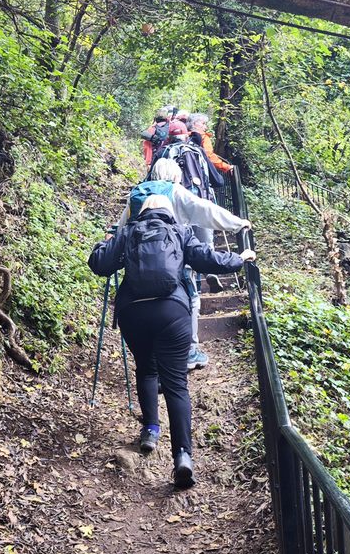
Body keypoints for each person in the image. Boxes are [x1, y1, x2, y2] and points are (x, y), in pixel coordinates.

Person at [88, 194, 255, 488]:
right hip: (172, 312)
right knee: (177, 384)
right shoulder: (179, 231)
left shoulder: (128, 232)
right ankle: (182, 457)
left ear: (142, 211)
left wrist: (104, 242)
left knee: (146, 369)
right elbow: (207, 258)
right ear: (168, 212)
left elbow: (99, 264)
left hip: (133, 312)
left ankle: (151, 430)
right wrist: (239, 260)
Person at [118, 158, 251, 369]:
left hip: (138, 270)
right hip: (174, 262)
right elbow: (206, 210)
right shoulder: (176, 191)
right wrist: (237, 224)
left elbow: (122, 228)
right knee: (192, 298)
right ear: (175, 176)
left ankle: (154, 362)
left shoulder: (138, 193)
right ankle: (190, 352)